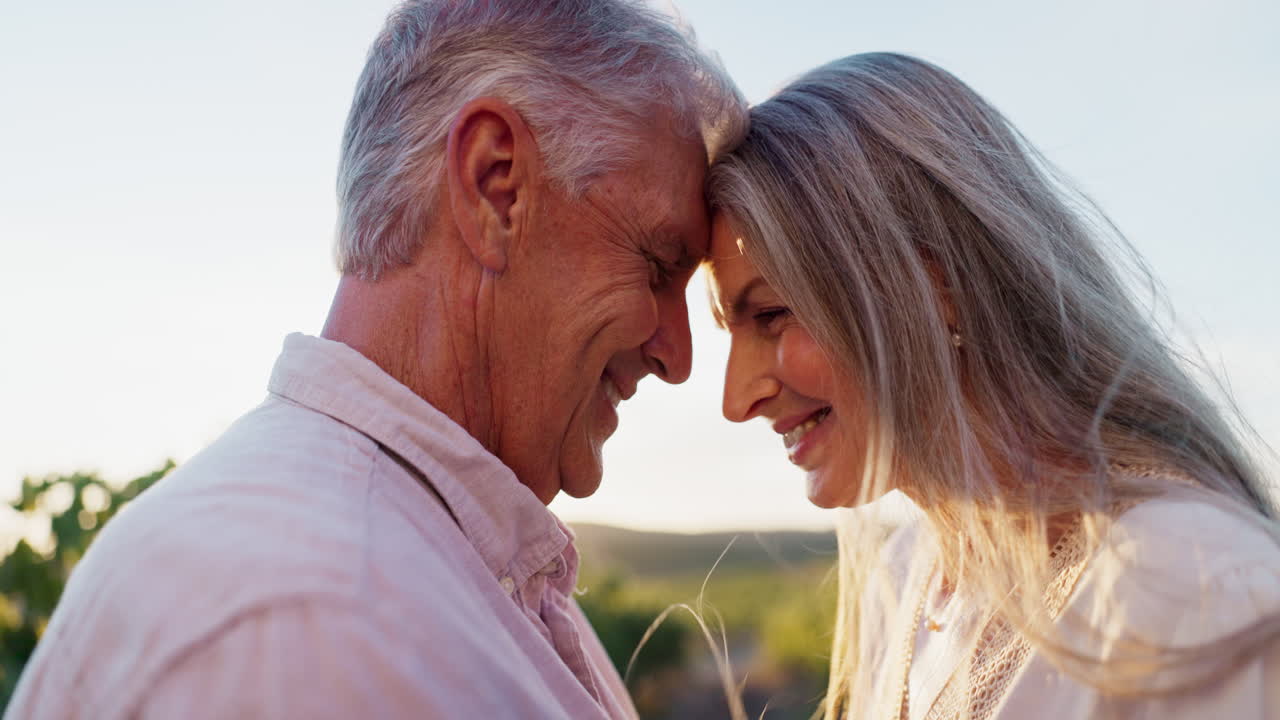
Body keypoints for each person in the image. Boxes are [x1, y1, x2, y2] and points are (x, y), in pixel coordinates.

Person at [5, 2, 743, 718]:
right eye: (655, 262)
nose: (677, 357)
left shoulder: (445, 570)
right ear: (495, 186)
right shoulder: (324, 626)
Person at [705, 52, 1280, 719]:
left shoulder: (1194, 588)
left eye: (773, 314)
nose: (736, 397)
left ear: (933, 289)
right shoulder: (904, 579)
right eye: (730, 328)